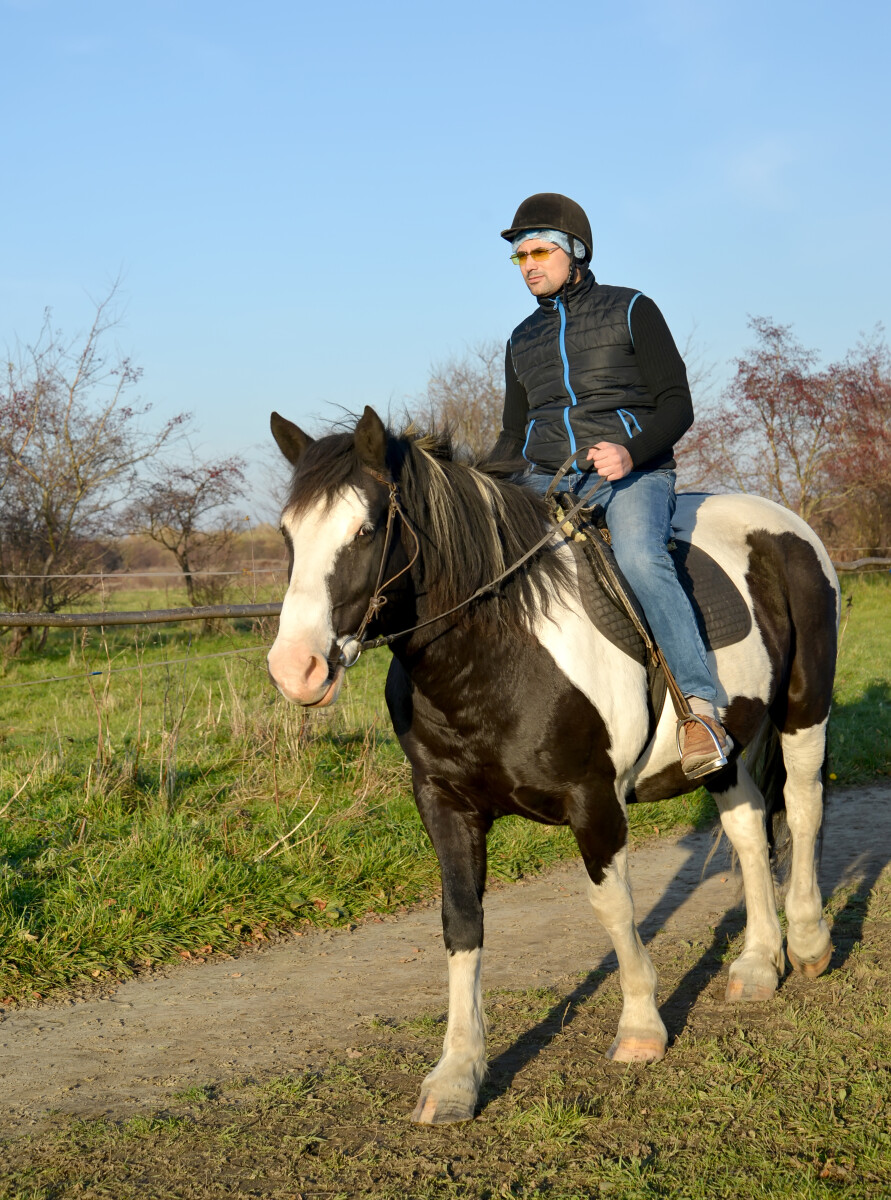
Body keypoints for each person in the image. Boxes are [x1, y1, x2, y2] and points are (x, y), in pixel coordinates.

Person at [495, 192, 731, 779]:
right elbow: (511, 433)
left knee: (641, 558)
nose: (528, 264)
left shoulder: (632, 309)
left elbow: (678, 404)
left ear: (574, 252)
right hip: (547, 479)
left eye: (540, 251)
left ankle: (701, 710)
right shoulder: (519, 341)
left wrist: (631, 452)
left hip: (634, 474)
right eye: (519, 256)